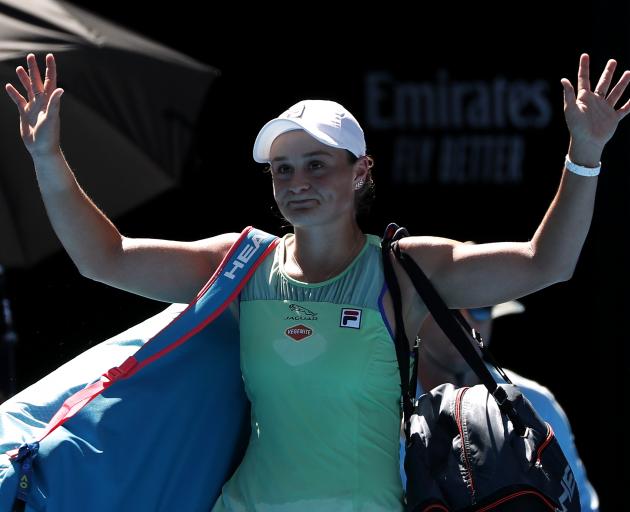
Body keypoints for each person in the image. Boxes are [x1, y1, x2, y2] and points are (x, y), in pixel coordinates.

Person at [4, 52, 628, 511]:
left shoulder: (406, 268)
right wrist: (47, 159)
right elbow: (104, 258)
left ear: (361, 172)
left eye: (316, 165)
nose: (296, 182)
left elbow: (547, 262)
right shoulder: (241, 265)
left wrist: (585, 156)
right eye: (282, 169)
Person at [398, 301, 600, 511]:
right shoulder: (381, 412)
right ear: (416, 314)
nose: (464, 320)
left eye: (481, 306)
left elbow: (582, 506)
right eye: (450, 305)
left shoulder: (538, 403)